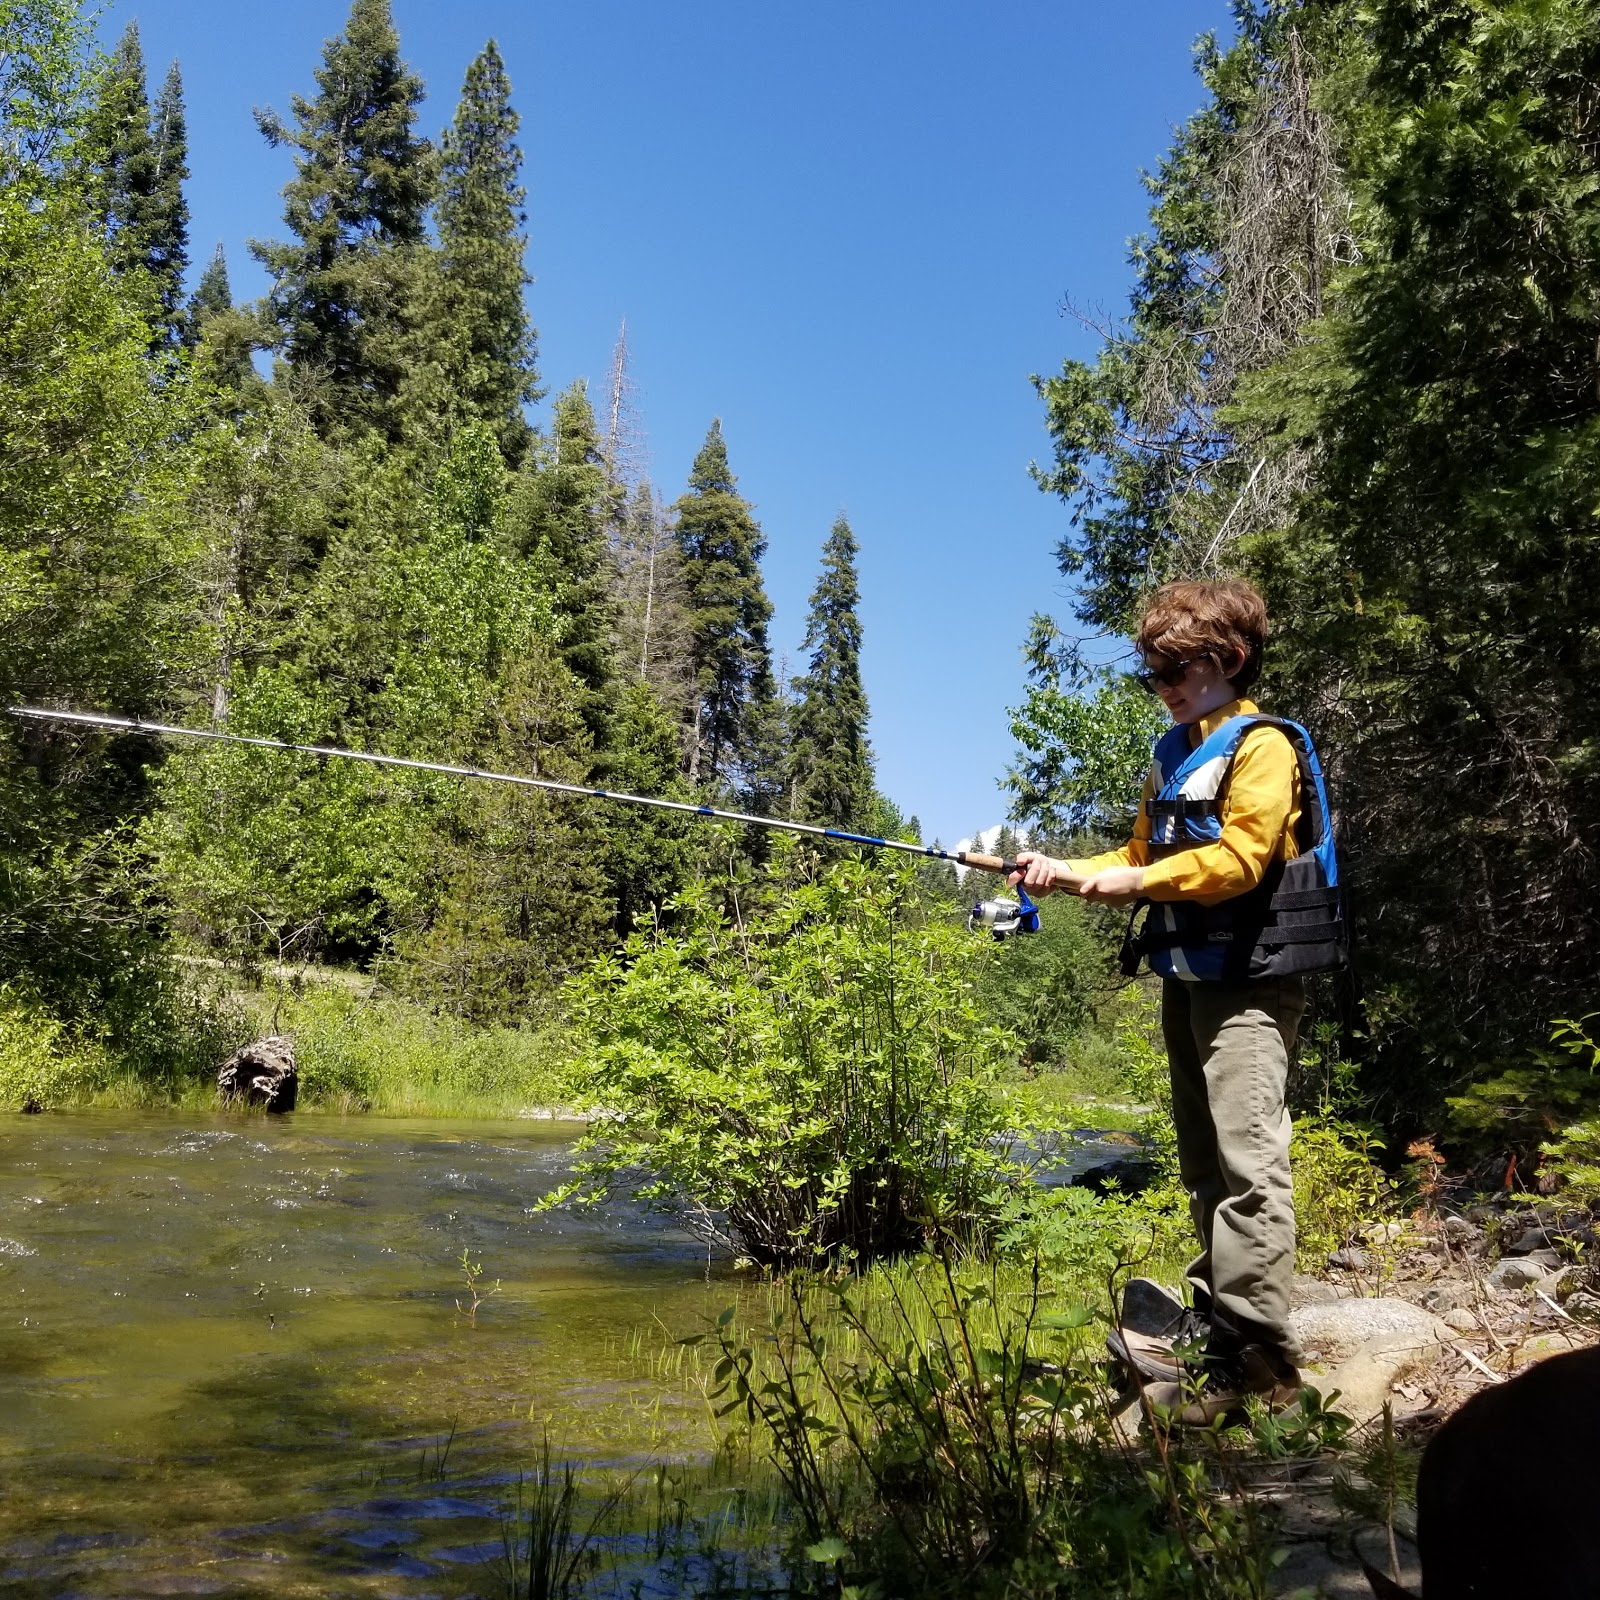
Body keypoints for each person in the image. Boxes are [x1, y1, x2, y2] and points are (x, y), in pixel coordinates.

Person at [1010, 577, 1344, 1425]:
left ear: (1228, 660)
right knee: (1201, 1162)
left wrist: (1130, 881)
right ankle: (1219, 1323)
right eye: (1151, 674)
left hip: (1253, 981)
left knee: (1248, 1167)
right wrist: (1065, 869)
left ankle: (1265, 1368)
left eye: (1174, 670)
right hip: (1188, 979)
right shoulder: (1171, 754)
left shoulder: (1263, 746)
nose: (1161, 687)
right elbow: (1134, 852)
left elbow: (1240, 859)